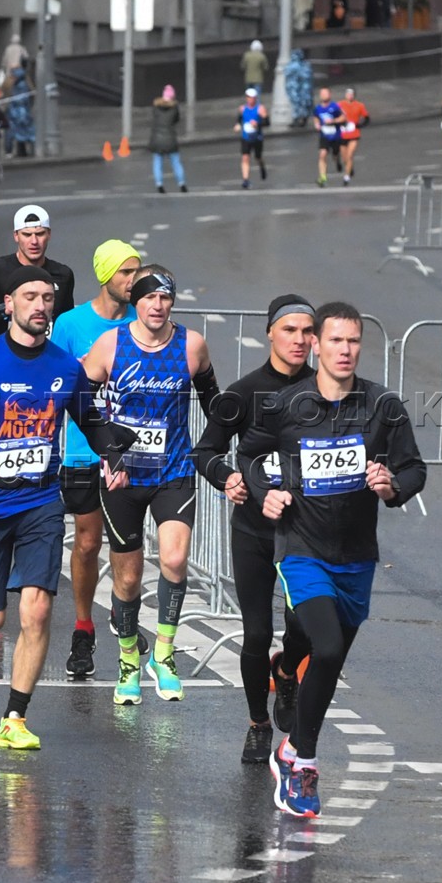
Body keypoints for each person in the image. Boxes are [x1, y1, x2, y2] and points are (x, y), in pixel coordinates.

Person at [0, 267, 137, 750]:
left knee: (37, 611)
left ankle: (13, 719)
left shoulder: (66, 367)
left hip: (42, 500)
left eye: (48, 297)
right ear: (9, 304)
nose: (40, 305)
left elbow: (91, 423)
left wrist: (113, 449)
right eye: (30, 296)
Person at [248, 301, 427, 816]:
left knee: (327, 664)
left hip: (356, 556)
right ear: (317, 346)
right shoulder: (286, 405)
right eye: (336, 341)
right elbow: (251, 456)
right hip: (301, 548)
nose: (345, 350)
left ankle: (291, 749)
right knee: (324, 649)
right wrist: (266, 490)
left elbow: (414, 468)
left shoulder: (382, 407)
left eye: (353, 342)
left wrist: (392, 485)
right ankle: (304, 763)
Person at [80, 265, 218, 705]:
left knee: (175, 559)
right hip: (123, 477)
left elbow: (216, 403)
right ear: (135, 301)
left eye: (165, 298)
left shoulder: (191, 345)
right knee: (128, 579)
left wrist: (215, 447)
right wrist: (107, 448)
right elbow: (80, 403)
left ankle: (163, 652)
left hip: (173, 471)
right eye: (149, 298)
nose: (158, 306)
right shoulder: (111, 345)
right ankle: (127, 661)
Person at [191, 295, 316, 763]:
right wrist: (228, 478)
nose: (300, 340)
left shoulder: (330, 390)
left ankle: (286, 672)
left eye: (308, 332)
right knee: (257, 632)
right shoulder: (243, 393)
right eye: (290, 330)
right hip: (254, 530)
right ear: (271, 333)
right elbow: (205, 451)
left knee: (302, 625)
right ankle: (257, 724)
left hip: (307, 532)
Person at [48, 240, 141, 677]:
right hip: (84, 451)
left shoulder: (144, 323)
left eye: (137, 272)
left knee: (127, 546)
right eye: (126, 272)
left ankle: (122, 612)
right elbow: (51, 382)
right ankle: (83, 630)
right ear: (106, 275)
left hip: (134, 452)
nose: (133, 281)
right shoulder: (70, 324)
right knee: (87, 543)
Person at [0, 204, 77, 338]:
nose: (34, 241)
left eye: (40, 234)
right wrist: (3, 311)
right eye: (27, 235)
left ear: (49, 235)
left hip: (47, 356)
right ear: (16, 236)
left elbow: (67, 325)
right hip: (6, 356)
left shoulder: (63, 274)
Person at [149, 86, 186, 193]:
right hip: (170, 138)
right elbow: (176, 120)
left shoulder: (155, 107)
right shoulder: (174, 108)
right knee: (176, 162)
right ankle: (181, 183)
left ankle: (159, 184)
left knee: (157, 162)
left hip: (157, 138)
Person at [235, 87, 269, 188]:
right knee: (245, 157)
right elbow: (240, 119)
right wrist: (237, 125)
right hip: (245, 137)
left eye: (253, 98)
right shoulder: (242, 109)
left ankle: (262, 165)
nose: (251, 100)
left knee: (258, 157)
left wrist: (257, 123)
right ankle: (245, 179)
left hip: (257, 137)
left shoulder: (260, 109)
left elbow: (267, 122)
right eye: (249, 98)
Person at [5, 66, 37, 157]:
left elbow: (21, 100)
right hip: (19, 112)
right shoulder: (20, 85)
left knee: (20, 132)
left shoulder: (21, 86)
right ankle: (21, 151)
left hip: (20, 113)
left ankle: (21, 151)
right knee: (21, 133)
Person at [284, 49, 314, 127]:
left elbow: (287, 72)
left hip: (299, 87)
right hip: (300, 87)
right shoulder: (303, 65)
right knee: (303, 103)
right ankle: (302, 119)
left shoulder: (296, 65)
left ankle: (299, 119)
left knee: (299, 103)